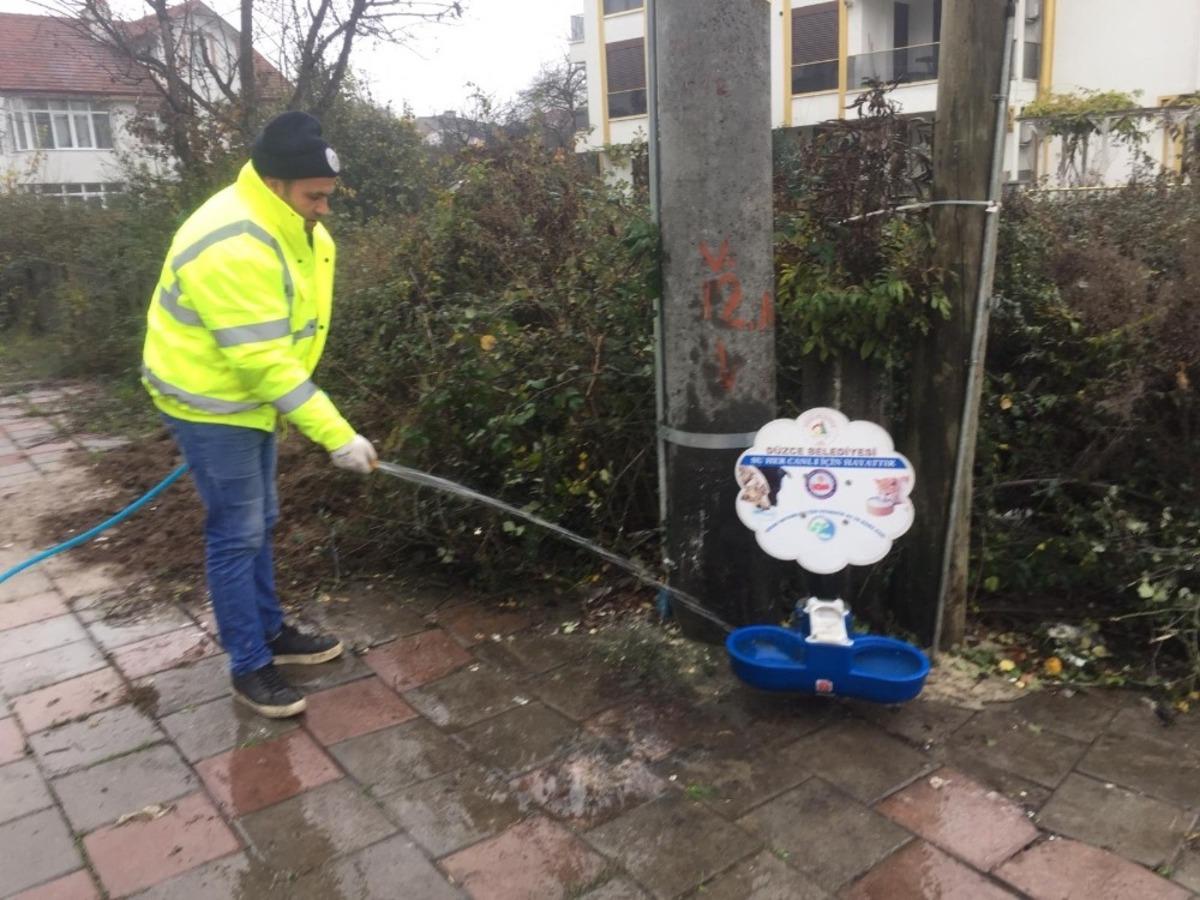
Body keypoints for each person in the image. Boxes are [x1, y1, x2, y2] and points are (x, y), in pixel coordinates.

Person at [141, 111, 376, 718]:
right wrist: (337, 435)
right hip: (210, 399)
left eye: (328, 195)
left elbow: (282, 346)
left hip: (251, 394)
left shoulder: (293, 225)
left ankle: (272, 633)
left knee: (260, 519)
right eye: (314, 196)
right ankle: (248, 666)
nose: (324, 208)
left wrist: (315, 420)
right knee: (235, 532)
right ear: (276, 184)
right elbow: (265, 361)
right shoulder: (234, 242)